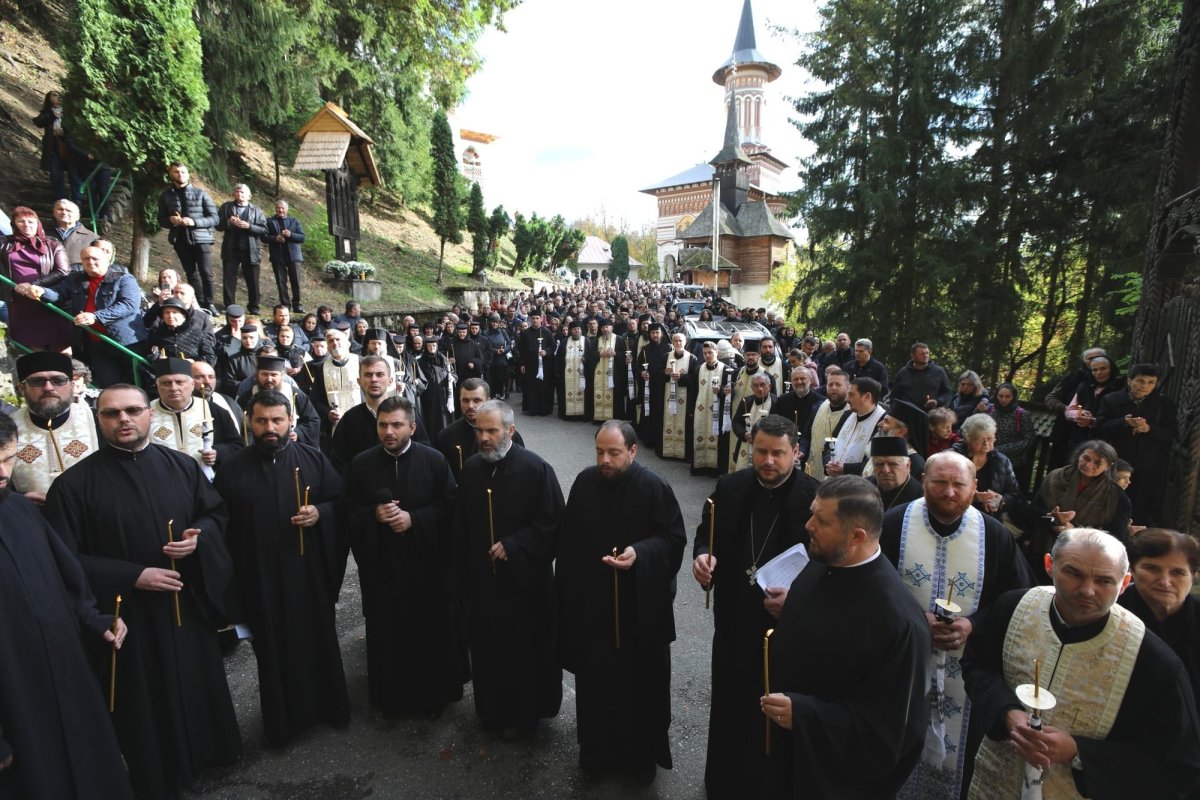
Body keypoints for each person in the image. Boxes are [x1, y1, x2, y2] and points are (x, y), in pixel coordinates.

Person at [43, 384, 241, 799]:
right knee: (145, 701)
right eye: (112, 413)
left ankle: (208, 753)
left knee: (195, 682)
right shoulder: (73, 485)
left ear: (150, 414)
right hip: (128, 613)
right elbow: (63, 560)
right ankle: (159, 774)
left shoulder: (181, 465)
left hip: (185, 602)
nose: (124, 419)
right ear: (99, 419)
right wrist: (132, 575)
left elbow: (213, 512)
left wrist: (198, 536)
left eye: (133, 410)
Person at [963, 528, 1200, 799]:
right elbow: (977, 664)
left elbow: (1179, 767)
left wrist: (1078, 753)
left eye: (1104, 580)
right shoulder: (1013, 607)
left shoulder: (1152, 660)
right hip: (994, 782)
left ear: (1125, 582)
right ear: (1050, 565)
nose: (1087, 590)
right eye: (1074, 573)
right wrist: (1007, 713)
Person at [761, 475, 931, 798]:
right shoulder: (821, 564)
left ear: (856, 536)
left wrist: (806, 716)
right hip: (786, 758)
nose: (808, 526)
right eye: (812, 513)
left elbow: (889, 735)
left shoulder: (898, 623)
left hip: (834, 781)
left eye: (821, 521)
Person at [880, 451, 1036, 799]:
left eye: (958, 484)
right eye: (939, 482)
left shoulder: (994, 536)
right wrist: (914, 620)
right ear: (924, 481)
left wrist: (973, 625)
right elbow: (871, 588)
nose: (949, 492)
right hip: (902, 661)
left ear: (974, 486)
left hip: (967, 672)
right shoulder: (893, 524)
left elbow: (1018, 600)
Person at [0, 411, 135, 800]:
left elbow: (66, 580)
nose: (3, 472)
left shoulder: (21, 510)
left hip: (65, 673)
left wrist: (94, 619)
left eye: (8, 458)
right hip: (13, 697)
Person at [692, 414, 819, 798]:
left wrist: (799, 601)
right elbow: (707, 531)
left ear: (796, 452)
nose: (768, 460)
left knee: (772, 710)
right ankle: (723, 782)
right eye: (761, 451)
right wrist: (703, 557)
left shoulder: (814, 497)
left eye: (778, 453)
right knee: (730, 702)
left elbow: (828, 563)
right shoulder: (731, 486)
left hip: (784, 628)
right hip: (733, 619)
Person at [214, 390, 348, 746]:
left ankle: (330, 709)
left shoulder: (313, 459)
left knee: (317, 642)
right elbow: (220, 526)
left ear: (291, 421)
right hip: (260, 580)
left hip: (308, 576)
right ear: (249, 422)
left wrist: (320, 512)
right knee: (272, 652)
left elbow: (340, 503)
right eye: (261, 420)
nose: (269, 427)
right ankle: (282, 725)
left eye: (277, 420)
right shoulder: (232, 471)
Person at [556, 420, 686, 784]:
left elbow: (673, 539)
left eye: (614, 453)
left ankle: (639, 760)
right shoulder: (585, 483)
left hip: (639, 612)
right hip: (594, 609)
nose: (605, 460)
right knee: (596, 686)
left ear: (632, 451)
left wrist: (640, 553)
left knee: (640, 689)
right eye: (599, 452)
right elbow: (569, 540)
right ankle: (596, 752)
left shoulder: (654, 488)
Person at [344, 396, 466, 716]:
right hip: (383, 567)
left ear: (412, 427)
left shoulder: (434, 460)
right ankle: (392, 698)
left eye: (396, 425)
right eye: (383, 425)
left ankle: (433, 697)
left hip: (426, 565)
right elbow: (348, 512)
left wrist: (416, 519)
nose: (389, 431)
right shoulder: (361, 465)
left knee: (429, 632)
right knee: (388, 633)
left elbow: (451, 508)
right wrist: (373, 515)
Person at [450, 400, 563, 737]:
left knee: (525, 653)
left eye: (492, 431)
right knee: (489, 652)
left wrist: (515, 545)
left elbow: (553, 522)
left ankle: (527, 717)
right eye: (479, 431)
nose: (484, 438)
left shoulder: (536, 469)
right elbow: (460, 527)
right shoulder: (471, 470)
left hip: (525, 586)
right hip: (484, 585)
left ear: (510, 430)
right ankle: (493, 713)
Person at [36, 244, 146, 387]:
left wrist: (96, 316)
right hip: (95, 343)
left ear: (107, 260)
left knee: (137, 382)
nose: (90, 262)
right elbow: (58, 293)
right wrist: (42, 291)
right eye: (86, 259)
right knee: (108, 384)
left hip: (126, 342)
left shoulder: (124, 279)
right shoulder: (75, 279)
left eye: (95, 258)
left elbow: (129, 305)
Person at [1119, 529, 1200, 714]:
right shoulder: (1111, 612)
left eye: (1177, 572)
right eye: (1152, 568)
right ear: (1132, 570)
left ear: (1193, 575)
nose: (1165, 581)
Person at [1026, 439, 1131, 581]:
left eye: (1097, 463)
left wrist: (1075, 530)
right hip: (1042, 549)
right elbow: (1032, 510)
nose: (1089, 465)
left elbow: (1117, 535)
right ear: (1078, 455)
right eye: (1086, 458)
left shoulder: (1116, 496)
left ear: (1108, 466)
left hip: (1086, 560)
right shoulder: (1055, 477)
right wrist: (1053, 519)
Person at [9, 351, 100, 504]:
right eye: (37, 381)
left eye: (58, 380)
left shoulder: (97, 419)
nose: (48, 387)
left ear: (72, 385)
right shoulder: (6, 428)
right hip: (32, 515)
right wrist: (20, 500)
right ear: (22, 388)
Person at [1095, 362, 1177, 526]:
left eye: (1151, 382)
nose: (1145, 386)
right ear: (1130, 380)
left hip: (1147, 464)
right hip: (1117, 459)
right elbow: (1100, 427)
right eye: (1140, 381)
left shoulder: (1165, 404)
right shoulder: (1111, 399)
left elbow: (1171, 433)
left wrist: (1149, 429)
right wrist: (1123, 422)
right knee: (1110, 500)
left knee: (1139, 506)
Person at [149, 357, 242, 477]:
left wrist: (217, 453)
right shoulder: (145, 412)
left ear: (192, 384)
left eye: (179, 382)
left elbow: (237, 446)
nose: (173, 388)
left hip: (207, 482)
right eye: (166, 383)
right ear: (157, 386)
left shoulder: (213, 410)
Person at [1, 206, 73, 351]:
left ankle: (63, 366)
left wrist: (33, 285)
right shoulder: (4, 243)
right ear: (14, 224)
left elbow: (63, 270)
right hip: (19, 301)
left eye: (30, 222)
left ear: (37, 223)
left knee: (59, 342)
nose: (26, 225)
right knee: (32, 344)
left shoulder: (52, 243)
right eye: (21, 221)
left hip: (46, 297)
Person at [157, 162, 219, 312]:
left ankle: (210, 303)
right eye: (176, 172)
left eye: (183, 172)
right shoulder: (165, 196)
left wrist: (194, 222)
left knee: (206, 273)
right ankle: (198, 303)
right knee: (191, 274)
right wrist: (170, 221)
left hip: (201, 238)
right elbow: (161, 220)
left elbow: (215, 218)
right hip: (180, 239)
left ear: (188, 174)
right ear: (171, 174)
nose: (180, 175)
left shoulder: (201, 194)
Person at [435, 378, 524, 482]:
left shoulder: (508, 434)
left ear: (488, 401)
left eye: (476, 400)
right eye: (465, 400)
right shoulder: (446, 437)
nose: (470, 406)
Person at [951, 413, 1021, 521]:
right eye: (980, 439)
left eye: (990, 438)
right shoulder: (951, 458)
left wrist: (1000, 500)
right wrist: (972, 497)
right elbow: (940, 489)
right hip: (954, 516)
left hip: (988, 520)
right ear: (968, 439)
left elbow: (1014, 493)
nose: (986, 443)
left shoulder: (1002, 461)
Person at [216, 184, 268, 314]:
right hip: (231, 248)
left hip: (251, 250)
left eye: (243, 192)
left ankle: (254, 307)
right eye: (237, 192)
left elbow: (264, 230)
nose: (240, 194)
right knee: (229, 278)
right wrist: (228, 222)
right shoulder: (226, 207)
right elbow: (217, 225)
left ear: (249, 196)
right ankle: (230, 305)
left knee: (253, 280)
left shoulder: (256, 211)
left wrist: (249, 226)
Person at [691, 339, 737, 475]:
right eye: (705, 353)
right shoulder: (699, 369)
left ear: (717, 353)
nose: (707, 355)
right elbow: (693, 391)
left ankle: (715, 469)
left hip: (719, 412)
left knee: (717, 439)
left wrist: (722, 390)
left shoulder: (726, 370)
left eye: (710, 352)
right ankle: (700, 466)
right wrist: (691, 411)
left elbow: (731, 391)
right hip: (700, 410)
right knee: (700, 434)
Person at [825, 376, 887, 477]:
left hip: (857, 483)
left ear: (867, 396)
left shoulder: (882, 422)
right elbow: (830, 442)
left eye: (851, 395)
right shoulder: (847, 415)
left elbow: (874, 463)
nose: (847, 399)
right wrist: (828, 463)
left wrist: (845, 469)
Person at [803, 366, 850, 480]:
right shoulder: (819, 406)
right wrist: (802, 451)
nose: (833, 388)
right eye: (830, 384)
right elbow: (806, 436)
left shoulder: (852, 413)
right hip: (812, 471)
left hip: (834, 475)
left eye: (838, 385)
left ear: (848, 387)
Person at [658, 331, 697, 460]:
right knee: (667, 420)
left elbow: (695, 378)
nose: (678, 343)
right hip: (667, 395)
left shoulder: (692, 358)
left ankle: (682, 453)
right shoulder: (666, 357)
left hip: (684, 397)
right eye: (675, 340)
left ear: (685, 342)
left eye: (680, 340)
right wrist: (665, 372)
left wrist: (681, 377)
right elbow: (658, 373)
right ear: (672, 342)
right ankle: (667, 451)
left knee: (683, 423)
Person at [262, 198, 305, 312]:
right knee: (281, 282)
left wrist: (291, 235)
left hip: (294, 256)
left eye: (283, 208)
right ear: (275, 209)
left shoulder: (294, 221)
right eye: (278, 208)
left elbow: (302, 237)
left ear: (287, 209)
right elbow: (263, 237)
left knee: (296, 281)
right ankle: (285, 304)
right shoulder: (269, 221)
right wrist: (275, 238)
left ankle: (297, 304)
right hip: (277, 255)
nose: (280, 210)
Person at [147, 297, 217, 365]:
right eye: (167, 312)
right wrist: (157, 358)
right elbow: (148, 353)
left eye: (174, 312)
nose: (170, 316)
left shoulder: (198, 335)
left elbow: (211, 358)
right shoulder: (158, 334)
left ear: (184, 316)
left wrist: (193, 361)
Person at [986, 382, 1035, 480]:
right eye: (1000, 396)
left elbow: (1028, 440)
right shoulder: (989, 410)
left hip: (1012, 463)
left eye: (1008, 396)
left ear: (1014, 397)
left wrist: (1000, 449)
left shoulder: (1022, 414)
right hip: (988, 460)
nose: (1003, 399)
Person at [729, 372, 776, 472]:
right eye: (756, 385)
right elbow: (736, 422)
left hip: (767, 446)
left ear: (769, 386)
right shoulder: (746, 401)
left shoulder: (777, 403)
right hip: (746, 444)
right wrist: (744, 434)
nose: (759, 388)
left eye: (762, 385)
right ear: (751, 388)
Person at [636, 322, 671, 446]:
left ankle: (659, 440)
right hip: (649, 386)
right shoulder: (645, 349)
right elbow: (638, 367)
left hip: (663, 386)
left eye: (657, 332)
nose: (655, 335)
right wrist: (641, 373)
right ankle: (648, 438)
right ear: (649, 334)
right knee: (649, 411)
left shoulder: (669, 348)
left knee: (661, 412)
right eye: (652, 333)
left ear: (662, 334)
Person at [866, 436, 923, 511]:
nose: (886, 470)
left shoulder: (920, 496)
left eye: (893, 464)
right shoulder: (864, 487)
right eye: (879, 464)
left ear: (907, 465)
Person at [892, 342, 953, 410]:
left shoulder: (939, 371)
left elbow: (948, 394)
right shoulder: (903, 373)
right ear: (913, 355)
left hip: (932, 413)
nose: (925, 356)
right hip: (908, 412)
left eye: (927, 353)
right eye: (922, 354)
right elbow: (895, 396)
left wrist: (937, 401)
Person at [516, 311, 555, 416]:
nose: (535, 320)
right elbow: (521, 350)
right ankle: (532, 409)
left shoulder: (547, 332)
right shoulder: (525, 333)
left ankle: (544, 409)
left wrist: (546, 352)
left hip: (545, 365)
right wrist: (522, 364)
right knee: (531, 387)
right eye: (533, 318)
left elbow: (553, 346)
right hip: (530, 364)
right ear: (530, 319)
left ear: (541, 319)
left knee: (544, 387)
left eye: (537, 318)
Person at [555, 318, 593, 420]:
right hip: (567, 374)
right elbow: (559, 358)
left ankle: (583, 415)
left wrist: (586, 359)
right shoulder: (564, 342)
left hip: (582, 374)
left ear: (581, 330)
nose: (577, 331)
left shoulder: (586, 341)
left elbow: (591, 356)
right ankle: (568, 414)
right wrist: (558, 371)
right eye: (574, 329)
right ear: (571, 330)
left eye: (578, 329)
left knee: (584, 393)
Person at [48, 199, 95, 267]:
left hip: (79, 273)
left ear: (78, 216)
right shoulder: (42, 233)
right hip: (48, 273)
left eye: (68, 211)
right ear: (54, 212)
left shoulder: (92, 237)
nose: (64, 212)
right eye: (60, 209)